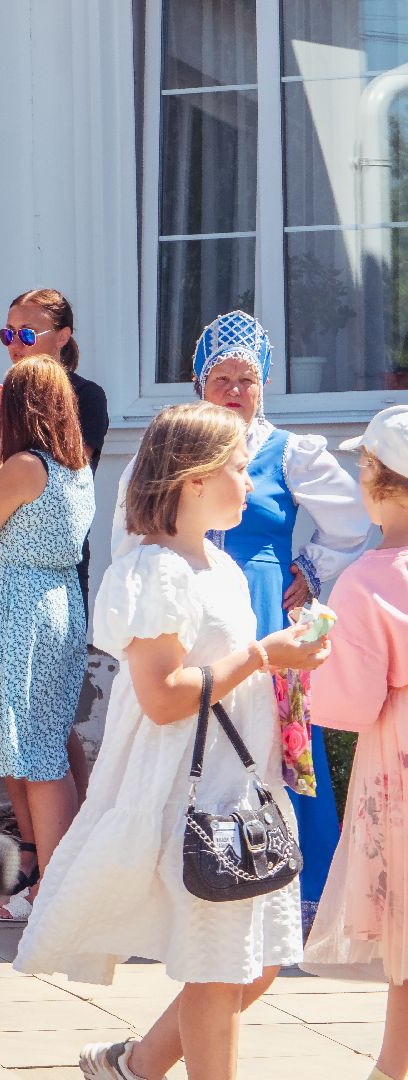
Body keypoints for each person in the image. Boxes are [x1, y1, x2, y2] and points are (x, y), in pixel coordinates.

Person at [16, 402, 331, 1080]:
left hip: (240, 789)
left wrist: (288, 663)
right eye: (240, 469)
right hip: (193, 795)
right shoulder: (154, 571)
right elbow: (162, 698)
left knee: (256, 964)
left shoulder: (218, 564)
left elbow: (230, 668)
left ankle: (134, 1065)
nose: (250, 483)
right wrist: (264, 656)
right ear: (195, 479)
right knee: (220, 975)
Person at [111, 310, 371, 923]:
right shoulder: (169, 447)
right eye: (221, 379)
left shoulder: (288, 452)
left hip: (260, 604)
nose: (234, 391)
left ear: (265, 385)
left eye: (246, 380)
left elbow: (353, 521)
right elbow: (129, 526)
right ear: (199, 383)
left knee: (272, 739)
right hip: (187, 605)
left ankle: (289, 886)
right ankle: (189, 877)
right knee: (190, 732)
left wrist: (308, 567)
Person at [0, 288, 109, 895]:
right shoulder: (71, 468)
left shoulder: (25, 467)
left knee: (37, 755)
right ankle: (62, 876)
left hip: (18, 610)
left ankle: (51, 883)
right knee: (48, 744)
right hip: (57, 604)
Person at [301, 405, 408, 1080]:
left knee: (406, 929)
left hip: (398, 757)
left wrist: (311, 658)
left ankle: (393, 1066)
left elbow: (350, 704)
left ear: (377, 480)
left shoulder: (367, 580)